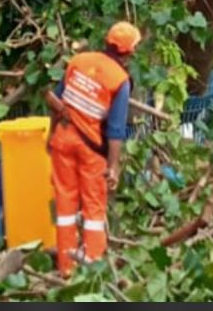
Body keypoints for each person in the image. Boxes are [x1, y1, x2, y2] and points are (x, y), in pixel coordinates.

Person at [45, 22, 140, 277]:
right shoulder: (120, 80)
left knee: (65, 206)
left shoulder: (78, 60)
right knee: (93, 210)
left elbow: (56, 100)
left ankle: (67, 270)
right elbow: (116, 130)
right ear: (128, 53)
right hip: (91, 150)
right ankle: (93, 271)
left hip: (63, 139)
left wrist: (49, 137)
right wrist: (114, 166)